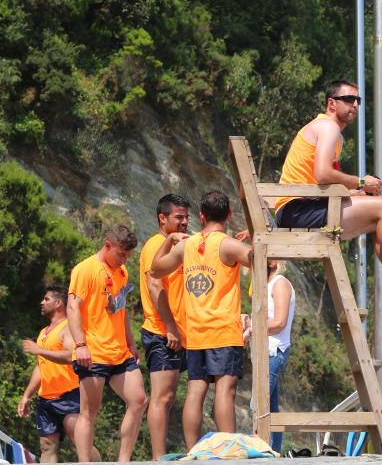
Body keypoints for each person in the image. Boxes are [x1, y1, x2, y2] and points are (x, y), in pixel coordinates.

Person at [274, 79, 382, 289]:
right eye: (348, 99)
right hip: (298, 210)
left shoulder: (332, 133)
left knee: (377, 220)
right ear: (332, 103)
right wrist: (362, 181)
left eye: (357, 100)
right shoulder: (328, 127)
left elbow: (325, 182)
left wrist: (356, 192)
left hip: (301, 209)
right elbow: (323, 174)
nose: (354, 104)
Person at [150, 190, 251, 449]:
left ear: (201, 216)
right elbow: (265, 262)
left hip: (195, 332)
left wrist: (170, 240)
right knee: (225, 391)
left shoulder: (187, 245)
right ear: (228, 215)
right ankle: (228, 450)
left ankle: (194, 451)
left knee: (196, 391)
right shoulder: (228, 244)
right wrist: (255, 239)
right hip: (223, 330)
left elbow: (157, 268)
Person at [67, 225, 147, 462]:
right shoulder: (86, 269)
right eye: (121, 253)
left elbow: (119, 310)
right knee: (89, 412)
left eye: (128, 255)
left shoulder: (122, 272)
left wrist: (131, 343)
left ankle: (123, 460)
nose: (124, 259)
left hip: (119, 352)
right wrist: (80, 344)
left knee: (139, 400)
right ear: (108, 245)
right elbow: (73, 307)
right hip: (92, 352)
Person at [18, 287, 101, 463]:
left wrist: (38, 349)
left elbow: (71, 356)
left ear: (58, 303)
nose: (42, 302)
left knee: (79, 442)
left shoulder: (68, 327)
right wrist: (27, 395)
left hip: (69, 395)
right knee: (47, 446)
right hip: (45, 399)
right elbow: (42, 366)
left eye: (46, 299)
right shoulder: (43, 333)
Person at [139, 194, 190, 459]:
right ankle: (159, 458)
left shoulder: (178, 246)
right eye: (178, 217)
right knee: (162, 397)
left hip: (179, 332)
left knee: (170, 398)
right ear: (163, 218)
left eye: (186, 217)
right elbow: (154, 284)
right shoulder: (156, 245)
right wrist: (170, 326)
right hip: (162, 331)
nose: (184, 222)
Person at [242, 260, 295, 454]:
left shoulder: (279, 283)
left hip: (275, 351)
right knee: (270, 406)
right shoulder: (265, 285)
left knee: (259, 404)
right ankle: (273, 451)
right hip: (264, 351)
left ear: (272, 264)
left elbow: (279, 322)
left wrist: (252, 327)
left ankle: (264, 451)